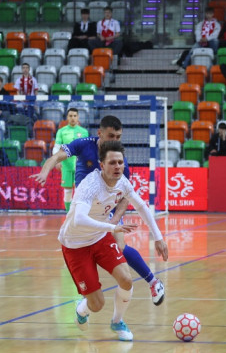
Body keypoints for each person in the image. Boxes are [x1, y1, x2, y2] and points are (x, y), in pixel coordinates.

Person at [32, 115, 166, 305]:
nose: (115, 141)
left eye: (119, 137)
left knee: (119, 246)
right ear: (100, 134)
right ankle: (90, 293)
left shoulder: (121, 164)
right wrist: (45, 171)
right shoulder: (84, 144)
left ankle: (152, 282)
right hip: (85, 205)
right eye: (111, 136)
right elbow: (57, 156)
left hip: (107, 208)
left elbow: (126, 200)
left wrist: (113, 222)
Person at [59, 140, 168, 342]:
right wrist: (113, 227)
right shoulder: (90, 185)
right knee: (97, 305)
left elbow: (142, 206)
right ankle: (82, 309)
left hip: (100, 238)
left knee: (126, 279)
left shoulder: (123, 183)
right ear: (102, 165)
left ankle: (117, 321)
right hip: (75, 245)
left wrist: (159, 238)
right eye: (112, 163)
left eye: (120, 162)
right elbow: (79, 219)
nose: (117, 166)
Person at [53, 107, 89, 209]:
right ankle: (68, 214)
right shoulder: (61, 131)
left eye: (74, 116)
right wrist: (56, 160)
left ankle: (77, 214)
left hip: (80, 165)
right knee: (68, 191)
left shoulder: (84, 132)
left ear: (78, 117)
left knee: (79, 191)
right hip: (66, 165)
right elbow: (56, 147)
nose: (72, 118)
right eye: (70, 116)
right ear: (67, 117)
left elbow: (86, 148)